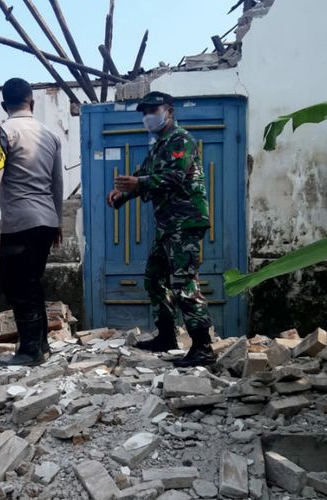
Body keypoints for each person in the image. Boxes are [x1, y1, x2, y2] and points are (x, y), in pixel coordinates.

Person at [107, 91, 215, 367]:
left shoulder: (181, 140)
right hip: (168, 224)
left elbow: (176, 177)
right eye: (143, 112)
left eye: (152, 110)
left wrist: (138, 184)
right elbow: (143, 177)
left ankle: (203, 347)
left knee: (184, 282)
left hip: (186, 221)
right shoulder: (158, 146)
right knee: (155, 279)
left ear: (169, 110)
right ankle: (167, 336)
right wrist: (122, 195)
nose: (147, 117)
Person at [0, 78, 63, 367]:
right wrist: (58, 221)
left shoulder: (1, 132)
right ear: (31, 102)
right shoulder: (50, 135)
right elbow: (57, 182)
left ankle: (29, 351)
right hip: (47, 221)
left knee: (15, 285)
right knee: (32, 282)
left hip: (20, 223)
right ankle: (42, 346)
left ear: (3, 104)